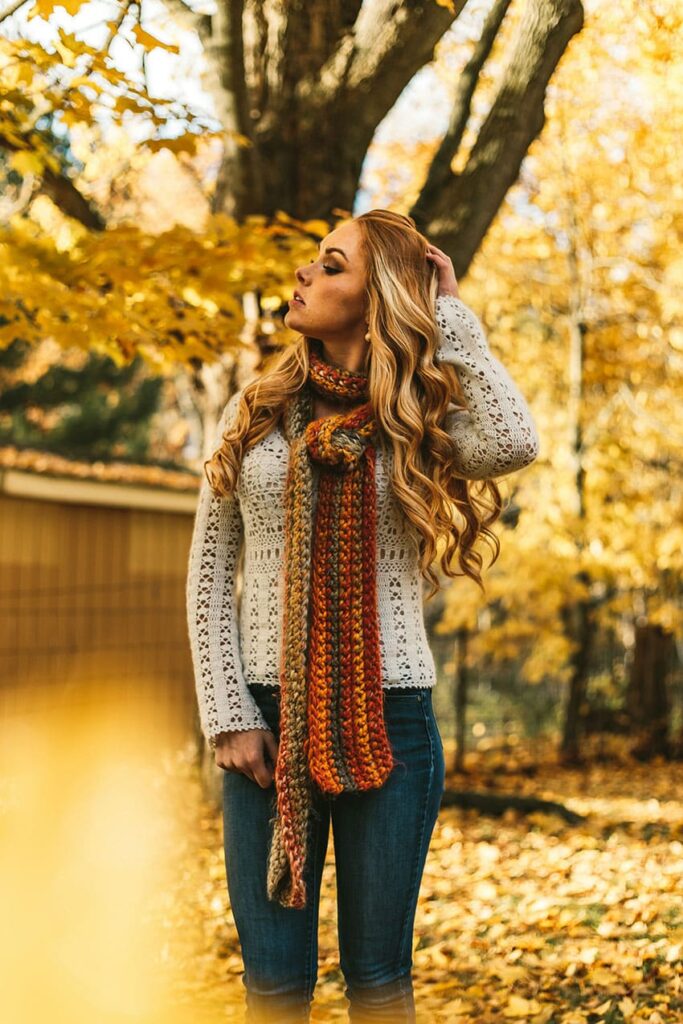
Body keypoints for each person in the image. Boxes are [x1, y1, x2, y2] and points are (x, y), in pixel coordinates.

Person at [186, 209, 539, 1023]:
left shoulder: (418, 417)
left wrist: (450, 313)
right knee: (273, 985)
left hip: (393, 717)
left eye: (332, 265)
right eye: (313, 261)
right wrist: (227, 714)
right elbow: (208, 575)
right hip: (265, 724)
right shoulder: (256, 409)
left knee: (378, 980)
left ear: (375, 295)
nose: (306, 275)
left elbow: (512, 441)